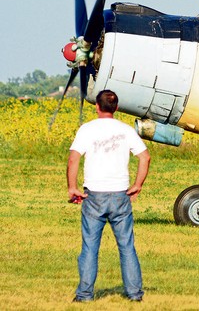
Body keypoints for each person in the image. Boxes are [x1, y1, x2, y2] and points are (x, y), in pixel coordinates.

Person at [67, 89, 151, 303]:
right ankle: (134, 294)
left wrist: (72, 187)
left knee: (90, 247)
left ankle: (85, 295)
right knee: (126, 246)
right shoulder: (125, 130)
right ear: (116, 107)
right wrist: (137, 185)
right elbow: (145, 157)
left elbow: (73, 159)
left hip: (93, 195)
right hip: (120, 195)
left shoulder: (87, 129)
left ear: (97, 106)